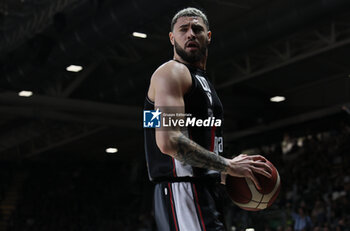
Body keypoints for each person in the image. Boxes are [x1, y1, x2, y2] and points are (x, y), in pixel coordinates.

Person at [144, 7, 272, 231]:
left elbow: (177, 140)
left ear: (208, 36)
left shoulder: (201, 82)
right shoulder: (170, 73)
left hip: (201, 189)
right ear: (172, 38)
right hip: (182, 190)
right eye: (183, 30)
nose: (190, 34)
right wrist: (228, 165)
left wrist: (229, 173)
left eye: (197, 29)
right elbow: (168, 142)